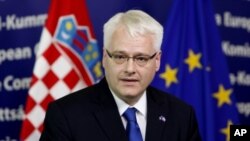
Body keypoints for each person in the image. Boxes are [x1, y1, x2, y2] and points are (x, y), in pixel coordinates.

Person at [40, 10, 201, 141]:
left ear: (157, 61)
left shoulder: (181, 116)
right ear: (104, 57)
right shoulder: (66, 115)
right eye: (120, 57)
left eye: (141, 58)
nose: (130, 68)